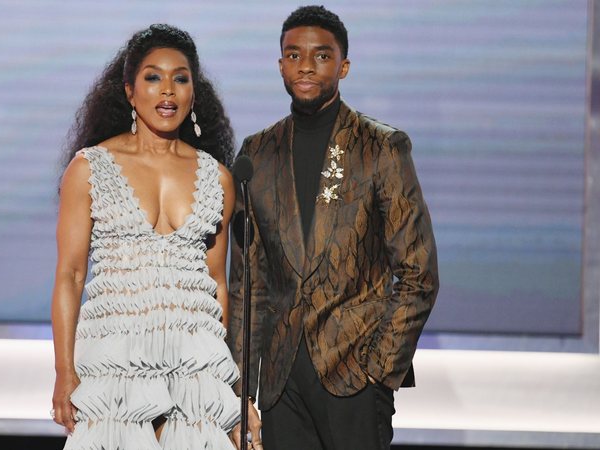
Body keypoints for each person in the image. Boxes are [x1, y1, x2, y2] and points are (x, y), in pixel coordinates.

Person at [227, 6, 439, 450]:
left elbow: (418, 272)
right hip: (281, 382)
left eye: (321, 56)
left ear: (343, 66)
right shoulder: (257, 153)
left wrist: (380, 367)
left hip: (355, 376)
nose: (306, 65)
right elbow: (249, 284)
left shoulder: (381, 147)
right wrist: (240, 390)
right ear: (280, 63)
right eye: (293, 54)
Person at [50, 24, 240, 449]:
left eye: (180, 78)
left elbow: (218, 285)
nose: (167, 90)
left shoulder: (217, 177)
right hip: (116, 364)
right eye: (153, 77)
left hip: (193, 369)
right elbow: (71, 275)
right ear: (130, 91)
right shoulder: (89, 168)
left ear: (194, 92)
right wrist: (65, 371)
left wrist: (225, 381)